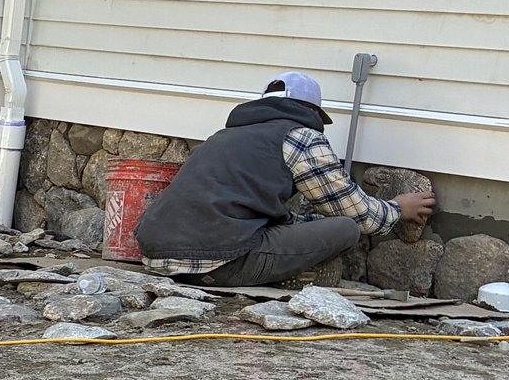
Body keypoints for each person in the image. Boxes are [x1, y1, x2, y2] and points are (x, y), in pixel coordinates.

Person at [135, 71, 438, 286]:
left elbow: (246, 208)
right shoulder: (300, 136)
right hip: (218, 263)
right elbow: (355, 215)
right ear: (311, 111)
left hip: (157, 256)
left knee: (293, 222)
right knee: (344, 229)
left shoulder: (225, 136)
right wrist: (398, 209)